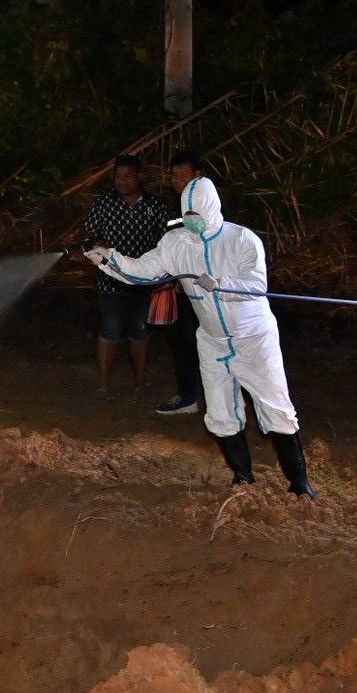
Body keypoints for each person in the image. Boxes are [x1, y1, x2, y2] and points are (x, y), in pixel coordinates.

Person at [82, 176, 317, 497]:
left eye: (197, 215)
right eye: (187, 214)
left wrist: (221, 281)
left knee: (275, 407)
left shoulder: (242, 240)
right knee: (220, 411)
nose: (191, 221)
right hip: (212, 341)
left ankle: (300, 484)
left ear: (212, 209)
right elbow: (142, 271)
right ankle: (243, 478)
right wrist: (109, 260)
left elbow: (256, 285)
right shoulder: (176, 243)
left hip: (253, 339)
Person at [83, 155, 170, 398]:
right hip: (111, 281)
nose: (121, 181)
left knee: (140, 333)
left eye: (127, 176)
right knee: (109, 331)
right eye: (118, 176)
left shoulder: (156, 207)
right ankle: (103, 384)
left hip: (145, 283)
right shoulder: (104, 205)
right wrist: (96, 246)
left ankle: (140, 381)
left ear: (139, 177)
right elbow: (90, 234)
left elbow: (165, 243)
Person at [153, 152, 204, 417]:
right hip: (178, 290)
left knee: (208, 344)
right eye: (174, 175)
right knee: (180, 342)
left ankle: (227, 399)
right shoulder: (174, 207)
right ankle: (187, 397)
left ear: (198, 176)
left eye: (184, 174)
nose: (178, 180)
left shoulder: (213, 206)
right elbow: (167, 239)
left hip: (208, 293)